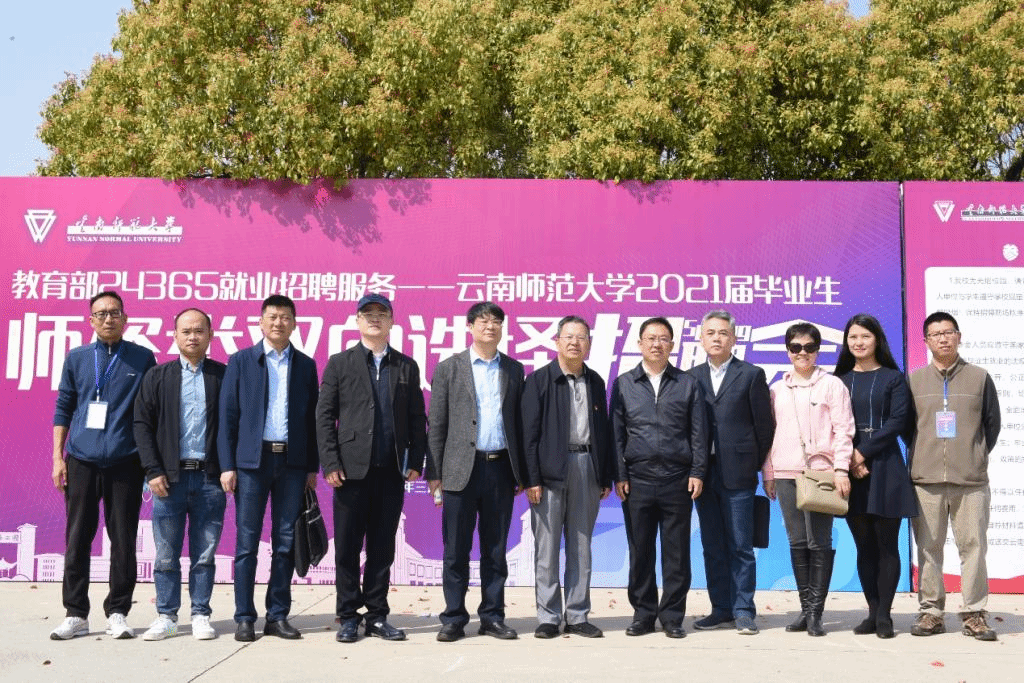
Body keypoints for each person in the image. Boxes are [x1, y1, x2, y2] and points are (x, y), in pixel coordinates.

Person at [316, 294, 428, 643]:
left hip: (391, 471)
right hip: (350, 472)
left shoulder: (406, 365)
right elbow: (324, 416)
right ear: (357, 321)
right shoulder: (340, 363)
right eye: (368, 314)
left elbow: (417, 417)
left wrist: (416, 461)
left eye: (382, 313)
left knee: (382, 548)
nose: (375, 319)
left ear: (392, 321)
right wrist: (330, 462)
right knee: (348, 547)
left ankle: (377, 615)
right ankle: (349, 616)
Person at [50, 291, 157, 640]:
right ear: (91, 320)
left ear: (125, 319)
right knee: (78, 538)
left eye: (114, 312)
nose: (108, 318)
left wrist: (150, 462)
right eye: (101, 313)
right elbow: (64, 407)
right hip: (81, 460)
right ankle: (75, 613)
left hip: (125, 462)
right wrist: (58, 457)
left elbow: (150, 411)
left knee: (123, 540)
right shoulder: (77, 358)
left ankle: (118, 611)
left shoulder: (142, 358)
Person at [218, 294, 319, 642]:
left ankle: (277, 616)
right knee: (247, 543)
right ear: (261, 322)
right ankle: (245, 617)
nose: (278, 322)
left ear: (294, 323)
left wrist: (311, 467)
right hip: (251, 464)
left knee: (285, 541)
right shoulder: (241, 361)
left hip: (292, 464)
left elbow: (312, 420)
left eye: (285, 317)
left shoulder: (305, 366)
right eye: (272, 316)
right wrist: (227, 465)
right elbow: (228, 418)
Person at [427, 302, 526, 642]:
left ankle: (492, 616)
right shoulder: (449, 368)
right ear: (469, 326)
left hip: (500, 469)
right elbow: (437, 423)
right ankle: (454, 617)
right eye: (483, 321)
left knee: (495, 550)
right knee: (455, 550)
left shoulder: (514, 369)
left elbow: (519, 423)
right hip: (459, 471)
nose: (490, 326)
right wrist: (435, 472)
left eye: (496, 321)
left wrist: (520, 472)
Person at [610, 317, 707, 639]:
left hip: (677, 480)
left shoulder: (687, 383)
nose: (657, 344)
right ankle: (643, 614)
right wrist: (619, 474)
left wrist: (697, 471)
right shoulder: (625, 383)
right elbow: (616, 434)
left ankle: (672, 617)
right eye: (650, 338)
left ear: (672, 345)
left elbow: (698, 432)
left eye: (663, 339)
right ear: (639, 344)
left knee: (676, 553)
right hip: (637, 480)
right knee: (640, 552)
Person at [133, 308, 226, 641]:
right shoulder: (158, 376)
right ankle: (167, 616)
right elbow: (141, 425)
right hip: (168, 480)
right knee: (166, 555)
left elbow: (234, 426)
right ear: (174, 336)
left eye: (199, 331)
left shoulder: (223, 376)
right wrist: (153, 470)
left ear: (210, 335)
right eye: (186, 331)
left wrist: (228, 469)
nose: (192, 337)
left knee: (205, 554)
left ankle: (200, 614)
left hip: (210, 480)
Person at [908, 312, 1000, 641]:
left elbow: (992, 425)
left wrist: (973, 455)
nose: (943, 339)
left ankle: (974, 612)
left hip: (970, 481)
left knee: (973, 548)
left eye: (949, 332)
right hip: (926, 480)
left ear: (959, 336)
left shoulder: (979, 378)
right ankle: (931, 612)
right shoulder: (914, 381)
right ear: (926, 341)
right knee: (928, 549)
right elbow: (907, 428)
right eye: (936, 334)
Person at [521, 316, 613, 639]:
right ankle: (548, 616)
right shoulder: (539, 380)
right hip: (548, 473)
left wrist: (604, 475)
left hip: (587, 466)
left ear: (588, 343)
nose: (575, 342)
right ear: (557, 341)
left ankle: (577, 615)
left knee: (581, 544)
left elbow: (603, 432)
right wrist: (532, 478)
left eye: (581, 337)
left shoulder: (596, 381)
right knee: (547, 548)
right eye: (569, 336)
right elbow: (528, 435)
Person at [763, 322, 853, 637]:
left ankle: (816, 613)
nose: (803, 353)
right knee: (797, 541)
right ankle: (805, 608)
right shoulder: (777, 389)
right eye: (796, 347)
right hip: (784, 473)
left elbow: (844, 430)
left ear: (818, 350)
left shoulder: (832, 385)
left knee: (819, 541)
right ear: (787, 351)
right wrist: (769, 472)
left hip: (820, 474)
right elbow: (769, 434)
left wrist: (841, 469)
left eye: (809, 347)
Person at [690, 311, 774, 635]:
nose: (716, 338)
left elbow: (764, 427)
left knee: (741, 545)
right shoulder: (690, 377)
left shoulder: (751, 374)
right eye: (710, 332)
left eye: (723, 332)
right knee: (712, 545)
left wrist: (750, 462)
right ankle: (720, 609)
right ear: (701, 338)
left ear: (734, 338)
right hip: (702, 474)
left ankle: (743, 610)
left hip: (738, 473)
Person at [833, 314, 917, 639]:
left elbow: (898, 421)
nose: (859, 342)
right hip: (849, 470)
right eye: (853, 337)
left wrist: (862, 453)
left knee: (886, 545)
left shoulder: (894, 378)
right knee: (864, 546)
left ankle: (885, 616)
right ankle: (871, 611)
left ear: (877, 339)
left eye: (865, 336)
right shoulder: (838, 380)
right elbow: (834, 424)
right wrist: (851, 458)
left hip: (886, 467)